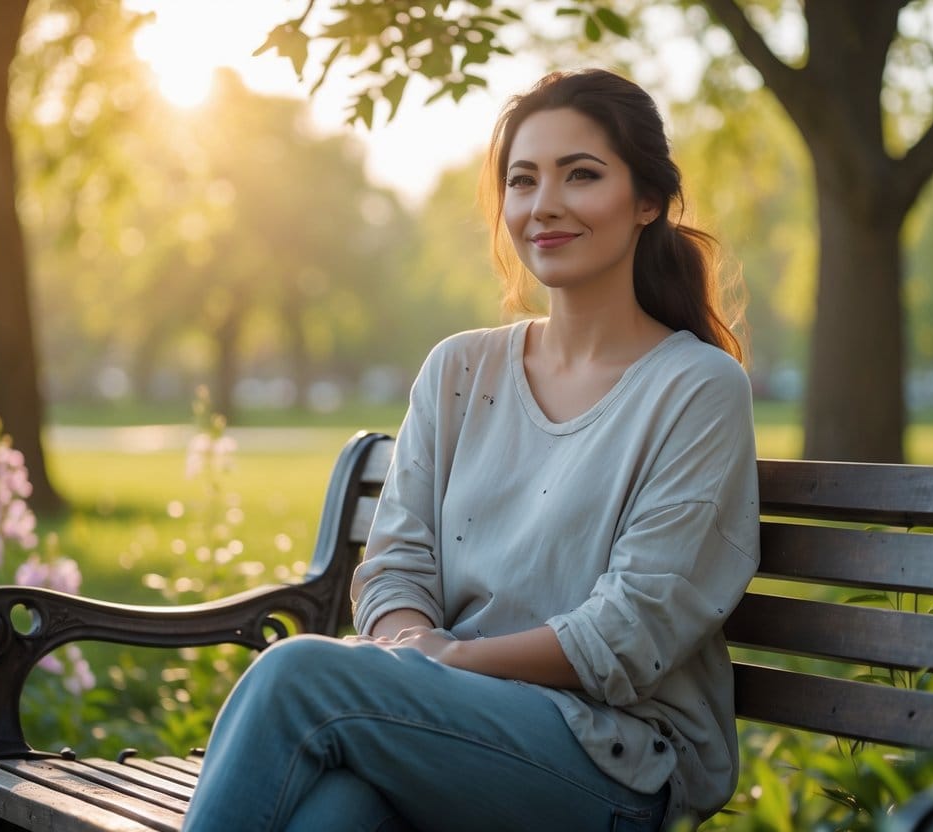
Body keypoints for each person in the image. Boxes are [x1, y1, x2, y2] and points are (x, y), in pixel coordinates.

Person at [183, 68, 759, 832]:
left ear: (646, 200)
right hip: (434, 729)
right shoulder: (459, 369)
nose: (543, 204)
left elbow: (632, 629)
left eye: (580, 175)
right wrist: (409, 648)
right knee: (333, 817)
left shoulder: (696, 388)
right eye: (522, 182)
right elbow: (394, 563)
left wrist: (443, 665)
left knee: (297, 675)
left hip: (607, 762)